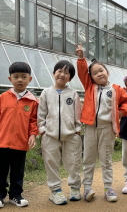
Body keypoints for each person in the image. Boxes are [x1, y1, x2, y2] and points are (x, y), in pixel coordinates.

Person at [75, 43, 127, 202]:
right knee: (88, 159)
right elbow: (82, 72)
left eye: (101, 70)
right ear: (91, 77)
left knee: (106, 160)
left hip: (108, 129)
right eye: (94, 73)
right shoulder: (89, 86)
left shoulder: (116, 89)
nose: (99, 74)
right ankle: (87, 189)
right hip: (90, 129)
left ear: (107, 72)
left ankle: (108, 188)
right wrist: (81, 58)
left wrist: (122, 112)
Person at [0, 62, 39, 208]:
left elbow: (33, 121)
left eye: (24, 76)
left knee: (18, 171)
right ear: (10, 79)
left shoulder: (33, 102)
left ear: (30, 79)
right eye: (16, 77)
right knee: (0, 171)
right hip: (2, 142)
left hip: (20, 143)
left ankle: (16, 195)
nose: (20, 80)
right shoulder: (2, 98)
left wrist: (33, 134)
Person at [37, 60, 82, 205]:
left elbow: (77, 114)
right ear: (54, 73)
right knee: (51, 162)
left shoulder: (73, 93)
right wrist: (42, 130)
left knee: (73, 162)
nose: (62, 74)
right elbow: (41, 114)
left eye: (67, 72)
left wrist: (77, 130)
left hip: (71, 135)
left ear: (70, 77)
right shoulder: (46, 93)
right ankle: (55, 191)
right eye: (60, 71)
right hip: (50, 135)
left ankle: (75, 187)